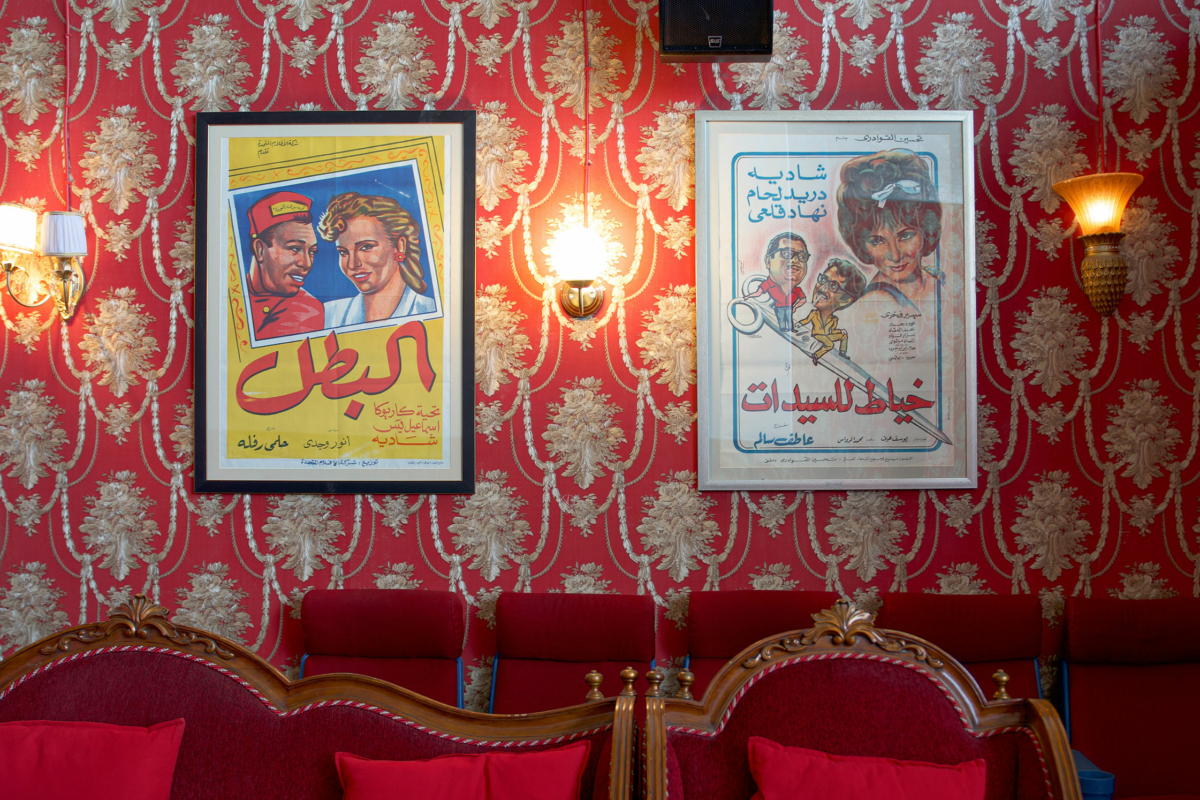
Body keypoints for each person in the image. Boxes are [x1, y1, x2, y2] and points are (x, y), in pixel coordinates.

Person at [835, 150, 942, 315]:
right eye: (877, 241)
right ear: (862, 245)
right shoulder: (876, 301)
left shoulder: (935, 278)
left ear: (927, 230)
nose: (895, 256)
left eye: (905, 236)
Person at [318, 192, 436, 327]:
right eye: (343, 252)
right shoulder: (327, 315)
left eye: (366, 247)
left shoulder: (430, 310)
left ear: (400, 246)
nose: (352, 264)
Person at [245, 191, 324, 339]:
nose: (307, 263)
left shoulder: (307, 310)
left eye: (312, 251)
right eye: (295, 249)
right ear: (260, 250)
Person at [798, 258, 867, 366]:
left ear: (845, 300)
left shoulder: (834, 320)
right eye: (823, 280)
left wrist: (840, 332)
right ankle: (816, 355)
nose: (822, 288)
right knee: (829, 345)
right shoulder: (813, 314)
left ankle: (842, 352)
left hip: (826, 335)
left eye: (833, 286)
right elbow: (806, 320)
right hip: (818, 334)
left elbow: (831, 331)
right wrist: (798, 324)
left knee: (843, 335)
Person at [742, 231, 810, 331]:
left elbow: (803, 300)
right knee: (782, 323)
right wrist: (748, 296)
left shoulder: (798, 290)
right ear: (768, 261)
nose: (795, 260)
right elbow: (758, 293)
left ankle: (790, 329)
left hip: (789, 308)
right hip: (779, 308)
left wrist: (795, 307)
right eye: (786, 253)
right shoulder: (767, 285)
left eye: (802, 256)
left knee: (789, 323)